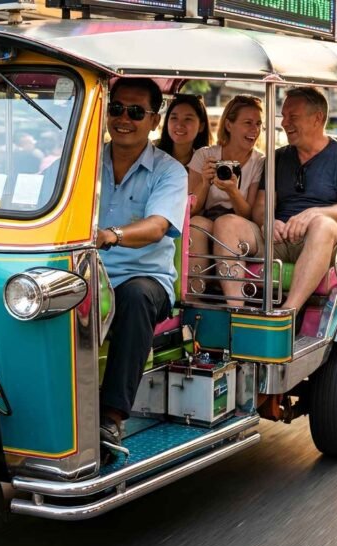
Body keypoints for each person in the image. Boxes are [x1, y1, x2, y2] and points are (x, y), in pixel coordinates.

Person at [95, 78, 187, 458]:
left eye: (136, 112)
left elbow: (157, 227)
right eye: (117, 109)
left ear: (153, 119)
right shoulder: (82, 160)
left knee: (133, 297)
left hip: (144, 280)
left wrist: (110, 235)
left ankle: (111, 416)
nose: (124, 119)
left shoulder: (170, 172)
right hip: (85, 273)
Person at [214, 87, 337, 312]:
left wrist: (314, 214)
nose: (285, 123)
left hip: (326, 242)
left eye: (292, 117)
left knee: (322, 225)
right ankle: (237, 311)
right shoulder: (278, 157)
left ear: (318, 118)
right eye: (283, 116)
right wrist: (268, 222)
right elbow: (261, 208)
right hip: (280, 238)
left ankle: (288, 312)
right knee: (226, 223)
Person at [186, 95, 265, 298]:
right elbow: (191, 208)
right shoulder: (205, 155)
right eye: (247, 123)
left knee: (226, 224)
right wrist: (205, 182)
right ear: (229, 125)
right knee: (195, 224)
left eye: (258, 124)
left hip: (240, 225)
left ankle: (234, 305)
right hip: (208, 218)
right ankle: (195, 300)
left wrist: (232, 191)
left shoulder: (259, 161)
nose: (254, 130)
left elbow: (249, 214)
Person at [157, 93, 212, 166]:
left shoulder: (207, 164)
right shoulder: (152, 157)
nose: (179, 125)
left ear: (201, 126)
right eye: (174, 118)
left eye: (188, 119)